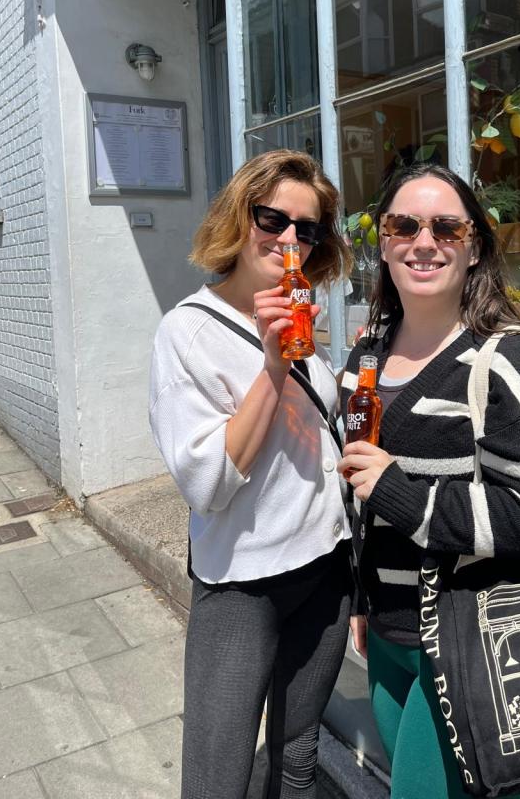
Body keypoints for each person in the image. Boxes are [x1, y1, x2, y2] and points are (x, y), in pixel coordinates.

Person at [338, 164, 520, 799]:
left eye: (447, 227)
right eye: (403, 225)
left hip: (468, 640)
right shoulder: (367, 354)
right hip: (391, 632)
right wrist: (365, 597)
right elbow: (356, 494)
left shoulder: (515, 358)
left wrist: (397, 487)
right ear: (384, 243)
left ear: (474, 246)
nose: (425, 242)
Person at [149, 150, 353, 799]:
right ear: (241, 217)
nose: (290, 238)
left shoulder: (300, 318)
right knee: (218, 777)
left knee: (297, 756)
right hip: (242, 587)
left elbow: (322, 443)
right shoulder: (187, 332)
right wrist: (271, 368)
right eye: (274, 218)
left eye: (308, 228)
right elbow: (206, 483)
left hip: (325, 570)